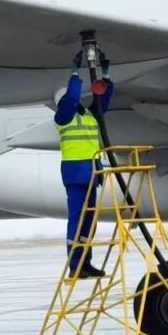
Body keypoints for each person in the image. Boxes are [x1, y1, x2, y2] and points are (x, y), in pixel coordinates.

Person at [55, 50, 114, 278]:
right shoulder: (63, 117)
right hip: (76, 174)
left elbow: (104, 98)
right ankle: (75, 265)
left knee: (89, 221)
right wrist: (75, 72)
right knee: (77, 219)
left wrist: (105, 74)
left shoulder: (89, 115)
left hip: (91, 173)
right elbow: (72, 97)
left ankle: (85, 263)